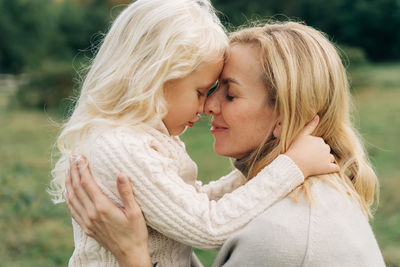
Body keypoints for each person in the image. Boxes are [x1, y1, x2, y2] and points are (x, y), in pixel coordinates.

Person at [64, 21, 385, 266]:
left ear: (284, 118)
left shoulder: (281, 237)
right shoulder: (304, 198)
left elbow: (208, 223)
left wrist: (132, 254)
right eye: (209, 89)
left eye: (229, 93)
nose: (209, 106)